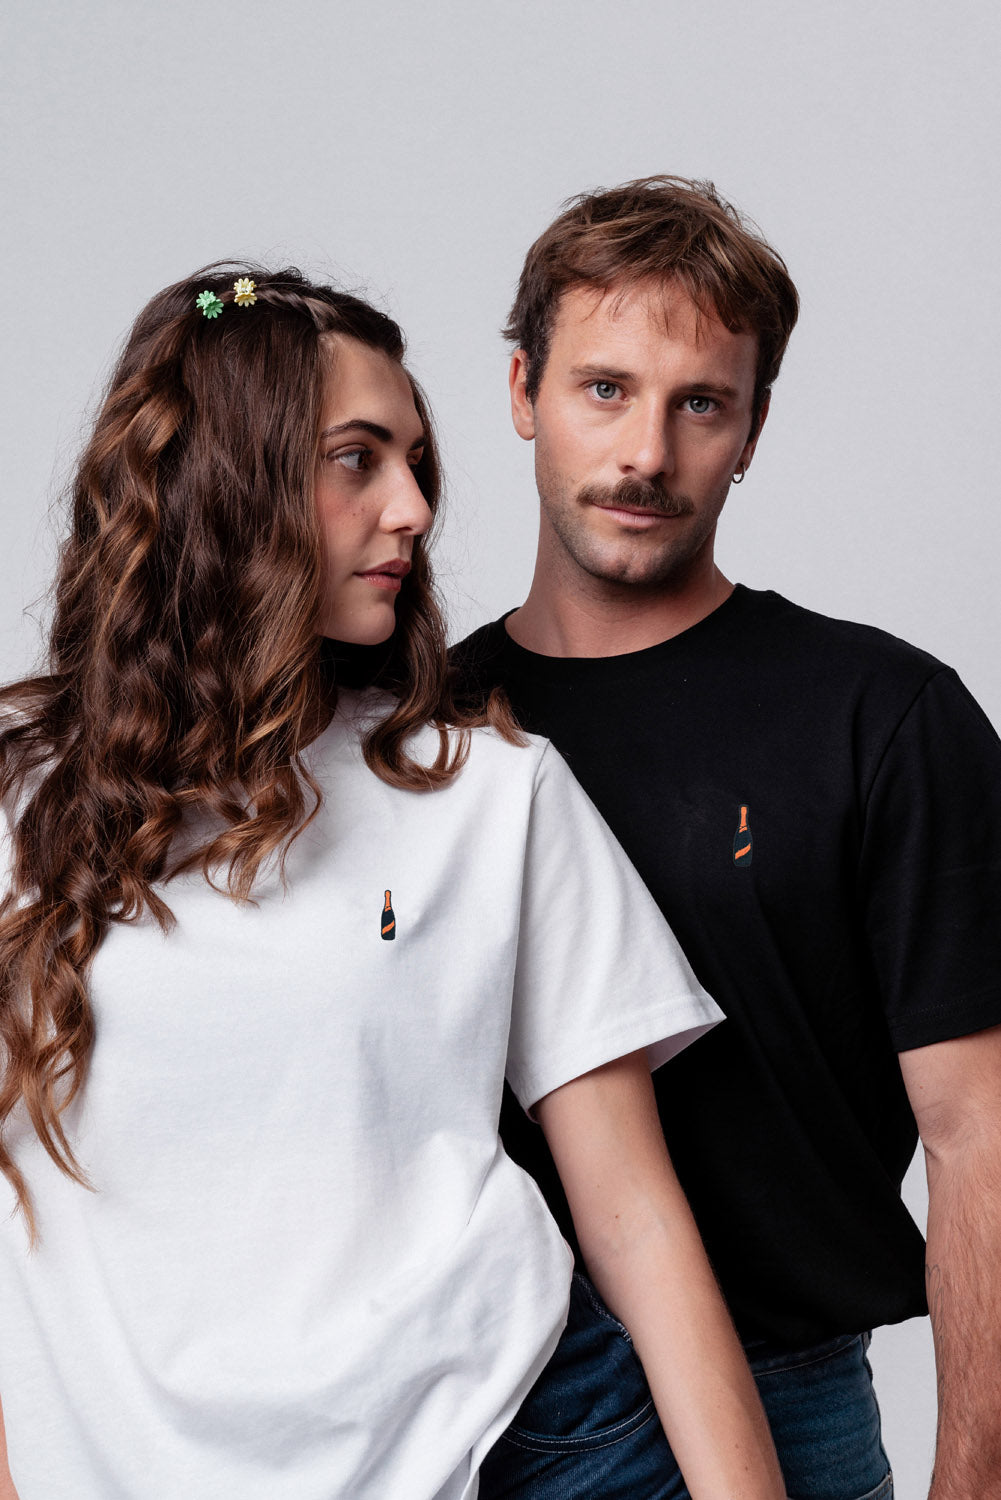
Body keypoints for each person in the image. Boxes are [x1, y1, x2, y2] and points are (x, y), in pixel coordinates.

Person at [0, 266, 786, 1500]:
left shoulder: (490, 792)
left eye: (415, 463)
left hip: (509, 1448)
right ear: (228, 478)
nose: (414, 509)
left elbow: (634, 1217)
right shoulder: (22, 800)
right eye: (356, 461)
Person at [452, 176, 1001, 1500]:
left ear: (751, 428)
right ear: (522, 390)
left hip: (788, 1402)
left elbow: (977, 1132)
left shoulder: (880, 714)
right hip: (477, 1416)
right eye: (603, 389)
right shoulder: (422, 727)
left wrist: (973, 1480)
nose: (644, 453)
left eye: (699, 403)